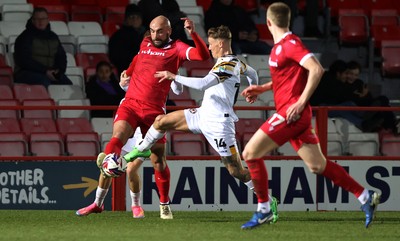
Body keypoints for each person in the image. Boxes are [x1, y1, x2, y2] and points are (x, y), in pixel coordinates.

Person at [239, 2, 380, 229]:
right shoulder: (278, 48)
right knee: (317, 165)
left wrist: (302, 101)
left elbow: (316, 69)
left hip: (292, 113)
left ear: (267, 23)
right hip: (294, 113)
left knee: (250, 153)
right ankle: (365, 196)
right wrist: (262, 89)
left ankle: (263, 209)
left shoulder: (290, 44)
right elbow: (285, 79)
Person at [122, 25, 279, 223]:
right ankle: (141, 149)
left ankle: (267, 199)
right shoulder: (237, 62)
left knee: (235, 171)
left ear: (221, 44)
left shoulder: (227, 66)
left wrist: (174, 76)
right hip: (203, 114)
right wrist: (253, 89)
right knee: (161, 121)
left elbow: (203, 84)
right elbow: (253, 72)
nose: (209, 47)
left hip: (219, 124)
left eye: (211, 44)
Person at [76, 15, 210, 219]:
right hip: (131, 104)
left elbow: (203, 56)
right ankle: (99, 201)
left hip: (154, 113)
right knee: (115, 141)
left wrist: (193, 34)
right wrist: (127, 73)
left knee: (159, 161)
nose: (155, 35)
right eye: (152, 30)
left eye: (160, 31)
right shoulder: (146, 41)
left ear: (169, 31)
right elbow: (138, 59)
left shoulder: (177, 48)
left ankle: (164, 204)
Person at [13, 7, 72, 88]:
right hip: (27, 72)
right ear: (33, 20)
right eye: (37, 19)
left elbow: (61, 56)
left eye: (43, 18)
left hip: (49, 72)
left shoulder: (53, 37)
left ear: (48, 20)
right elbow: (24, 60)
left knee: (67, 84)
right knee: (44, 82)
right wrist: (45, 71)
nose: (41, 21)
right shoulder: (25, 37)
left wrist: (59, 70)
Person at [345, 60, 398, 134]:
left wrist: (364, 96)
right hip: (359, 111)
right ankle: (393, 126)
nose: (353, 77)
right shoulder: (343, 84)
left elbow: (370, 98)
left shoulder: (359, 83)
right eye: (351, 74)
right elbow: (350, 101)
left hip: (368, 107)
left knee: (383, 101)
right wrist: (362, 96)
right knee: (382, 106)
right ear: (346, 72)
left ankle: (391, 126)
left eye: (356, 75)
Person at [204, 0, 271, 55]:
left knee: (265, 48)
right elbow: (214, 33)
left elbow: (251, 26)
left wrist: (253, 34)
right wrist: (236, 35)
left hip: (246, 42)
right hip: (228, 43)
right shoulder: (212, 13)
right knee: (234, 51)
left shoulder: (238, 10)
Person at [108, 4, 146, 76]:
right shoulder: (118, 36)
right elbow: (116, 57)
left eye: (137, 17)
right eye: (131, 17)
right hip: (127, 72)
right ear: (126, 19)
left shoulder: (147, 34)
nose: (135, 19)